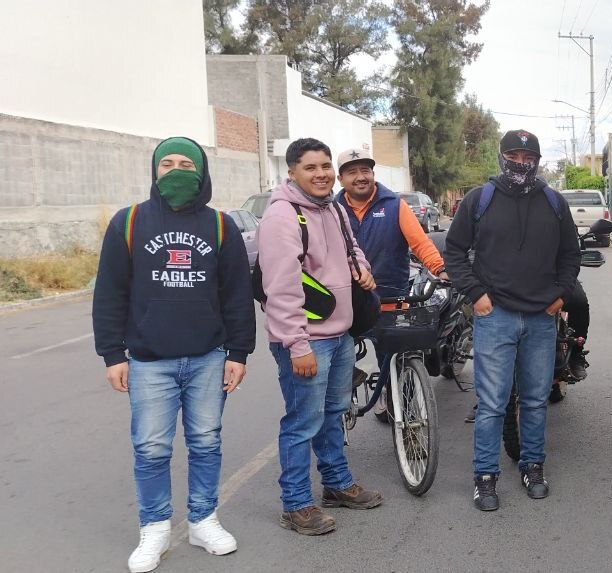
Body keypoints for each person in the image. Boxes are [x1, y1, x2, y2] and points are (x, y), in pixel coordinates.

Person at [93, 137, 255, 573]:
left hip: (208, 357)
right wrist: (112, 354)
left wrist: (239, 351)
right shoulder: (128, 223)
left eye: (188, 163)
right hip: (149, 360)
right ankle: (155, 529)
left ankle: (203, 520)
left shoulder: (221, 226)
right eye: (168, 163)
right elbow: (110, 293)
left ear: (202, 172)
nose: (178, 170)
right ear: (154, 170)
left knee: (206, 442)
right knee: (150, 448)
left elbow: (237, 295)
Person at [444, 129, 580, 512]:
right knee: (492, 404)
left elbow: (571, 253)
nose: (521, 163)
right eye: (513, 155)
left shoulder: (554, 202)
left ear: (538, 161)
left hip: (540, 319)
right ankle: (484, 477)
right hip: (495, 316)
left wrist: (560, 295)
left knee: (536, 401)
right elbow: (454, 252)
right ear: (501, 156)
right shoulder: (478, 200)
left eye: (528, 156)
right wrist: (477, 295)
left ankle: (533, 466)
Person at [259, 138, 383, 536]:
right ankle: (296, 504)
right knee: (302, 422)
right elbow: (281, 287)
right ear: (291, 172)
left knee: (334, 415)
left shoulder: (333, 208)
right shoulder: (283, 216)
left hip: (340, 335)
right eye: (311, 168)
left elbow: (352, 250)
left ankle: (337, 484)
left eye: (326, 165)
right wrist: (297, 345)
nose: (322, 174)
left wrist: (362, 269)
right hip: (307, 340)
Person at [333, 147, 447, 411]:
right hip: (347, 300)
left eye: (365, 170)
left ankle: (396, 398)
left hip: (391, 296)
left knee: (396, 355)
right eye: (352, 172)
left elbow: (420, 243)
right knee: (339, 353)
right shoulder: (332, 209)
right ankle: (343, 401)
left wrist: (439, 268)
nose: (360, 177)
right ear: (341, 179)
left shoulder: (395, 205)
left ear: (373, 174)